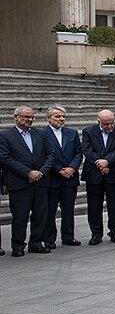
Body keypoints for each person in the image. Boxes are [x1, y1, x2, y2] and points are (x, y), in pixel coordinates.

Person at [0, 106, 54, 256]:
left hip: (41, 181)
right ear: (15, 117)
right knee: (20, 216)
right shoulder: (5, 136)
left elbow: (50, 155)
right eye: (25, 117)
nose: (29, 120)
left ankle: (36, 242)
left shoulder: (41, 134)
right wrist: (28, 172)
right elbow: (6, 158)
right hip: (20, 182)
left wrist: (41, 172)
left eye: (31, 117)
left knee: (40, 214)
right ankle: (18, 245)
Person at [81, 109, 115, 245]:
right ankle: (96, 233)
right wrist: (100, 162)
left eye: (112, 123)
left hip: (114, 172)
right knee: (94, 205)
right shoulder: (88, 132)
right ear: (99, 122)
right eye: (106, 124)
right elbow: (87, 149)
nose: (110, 126)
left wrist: (107, 161)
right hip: (94, 173)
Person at [43, 106, 82, 248]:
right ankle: (49, 238)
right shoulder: (42, 134)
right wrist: (59, 169)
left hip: (70, 178)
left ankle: (68, 236)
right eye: (57, 117)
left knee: (69, 209)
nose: (61, 119)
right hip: (53, 178)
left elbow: (78, 152)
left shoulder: (72, 133)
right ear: (48, 119)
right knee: (50, 210)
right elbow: (44, 156)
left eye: (63, 116)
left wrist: (72, 168)